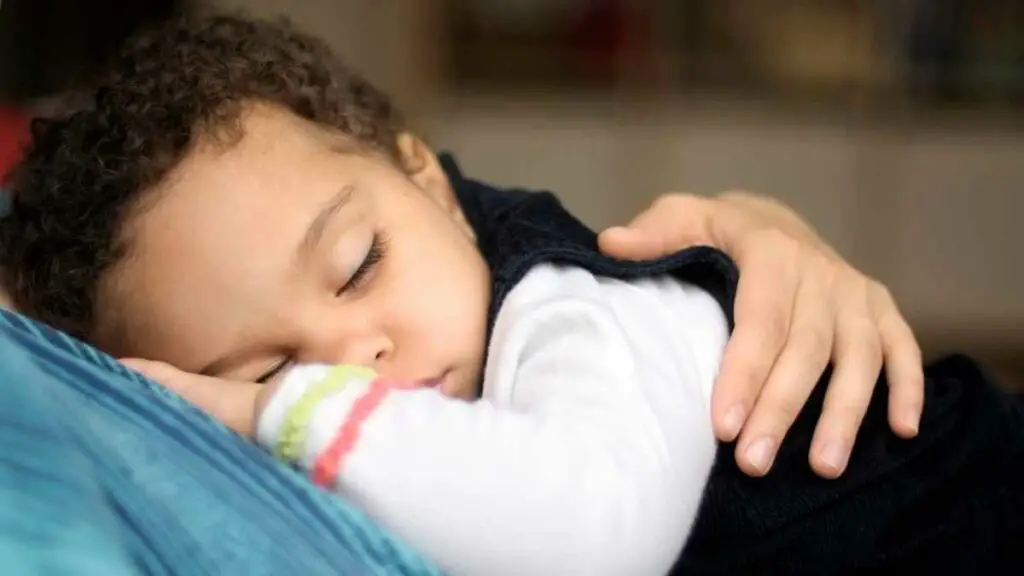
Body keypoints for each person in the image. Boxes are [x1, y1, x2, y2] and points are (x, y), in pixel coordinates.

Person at [8, 15, 1011, 576]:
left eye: (361, 265)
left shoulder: (577, 309)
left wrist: (261, 403)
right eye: (274, 362)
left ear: (430, 185)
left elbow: (587, 540)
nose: (356, 358)